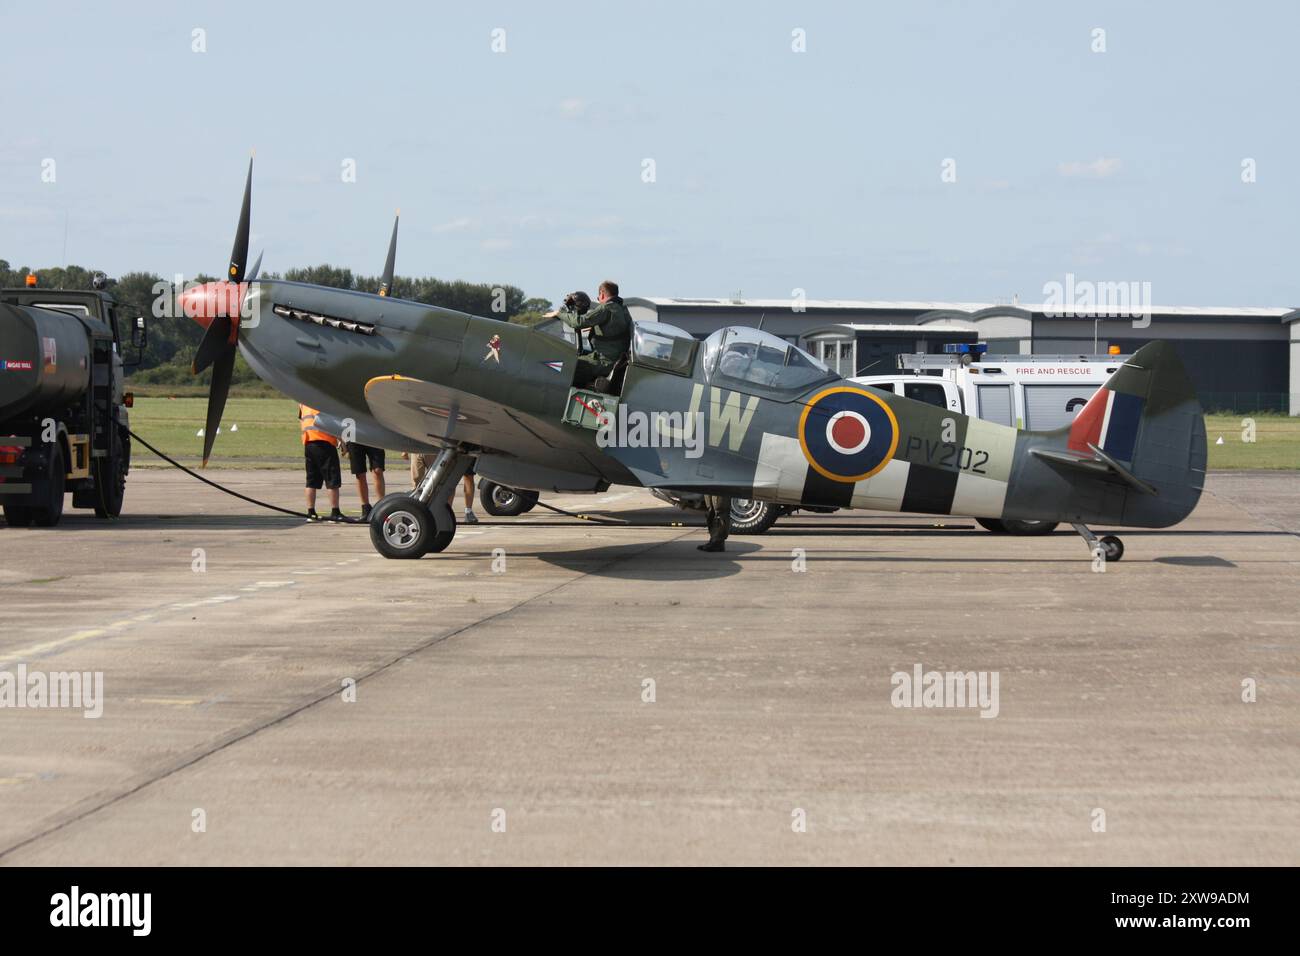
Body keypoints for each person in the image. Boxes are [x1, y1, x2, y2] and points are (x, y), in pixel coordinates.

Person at [546, 280, 632, 391]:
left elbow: (579, 322)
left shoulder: (606, 308)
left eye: (598, 297)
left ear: (602, 294)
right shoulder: (624, 311)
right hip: (614, 360)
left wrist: (559, 313)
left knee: (565, 365)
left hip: (603, 362)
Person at [299, 404, 343, 522]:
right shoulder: (319, 401)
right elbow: (328, 424)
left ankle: (311, 512)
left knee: (311, 480)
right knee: (332, 478)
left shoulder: (303, 403)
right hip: (324, 442)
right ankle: (335, 512)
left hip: (309, 442)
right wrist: (341, 440)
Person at [407, 452, 478, 524]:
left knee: (442, 480)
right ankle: (415, 511)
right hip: (418, 451)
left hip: (435, 450)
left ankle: (450, 512)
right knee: (416, 481)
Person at [343, 440, 385, 520]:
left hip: (373, 436)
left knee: (378, 470)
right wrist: (344, 443)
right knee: (359, 474)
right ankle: (365, 508)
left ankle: (381, 506)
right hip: (354, 438)